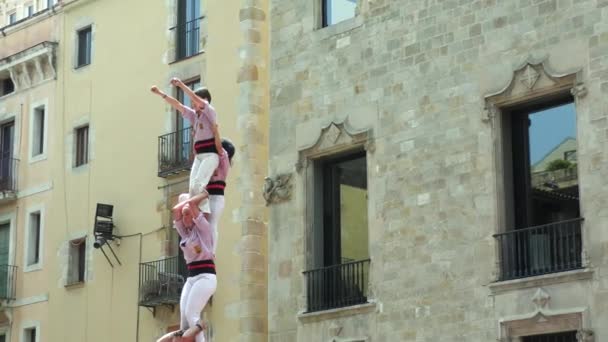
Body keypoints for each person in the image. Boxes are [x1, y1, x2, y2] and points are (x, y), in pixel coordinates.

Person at [150, 78, 222, 213]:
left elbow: (194, 97)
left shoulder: (209, 111)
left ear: (204, 100)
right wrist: (160, 93)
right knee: (192, 188)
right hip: (199, 156)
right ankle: (202, 212)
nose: (192, 103)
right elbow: (178, 105)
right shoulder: (194, 116)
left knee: (198, 185)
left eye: (195, 101)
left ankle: (204, 213)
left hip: (210, 156)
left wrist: (181, 85)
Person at [157, 193, 216, 342]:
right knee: (184, 319)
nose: (184, 218)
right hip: (192, 277)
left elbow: (189, 207)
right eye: (183, 216)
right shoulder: (184, 233)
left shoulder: (203, 229)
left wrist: (200, 197)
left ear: (195, 214)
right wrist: (185, 206)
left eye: (187, 214)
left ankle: (200, 333)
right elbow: (175, 211)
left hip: (206, 276)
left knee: (191, 314)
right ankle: (191, 332)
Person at [206, 138, 235, 254]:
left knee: (212, 224)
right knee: (207, 224)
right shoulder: (215, 163)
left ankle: (211, 252)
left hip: (216, 198)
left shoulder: (224, 162)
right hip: (211, 197)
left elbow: (219, 148)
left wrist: (214, 130)